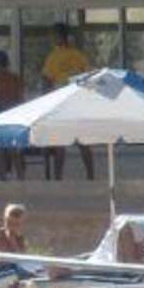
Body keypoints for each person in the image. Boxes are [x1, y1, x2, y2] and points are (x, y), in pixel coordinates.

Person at [39, 25, 95, 179]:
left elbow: (46, 81)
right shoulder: (77, 55)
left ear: (60, 36)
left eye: (54, 35)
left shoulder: (55, 57)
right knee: (78, 142)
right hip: (73, 103)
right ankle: (89, 177)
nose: (53, 38)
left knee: (65, 142)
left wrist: (46, 101)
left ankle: (60, 179)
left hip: (66, 104)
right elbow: (89, 77)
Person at [0, 50, 26, 179]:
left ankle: (3, 179)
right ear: (8, 62)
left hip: (2, 117)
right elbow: (21, 100)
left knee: (0, 150)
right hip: (15, 117)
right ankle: (20, 177)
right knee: (15, 151)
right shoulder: (16, 79)